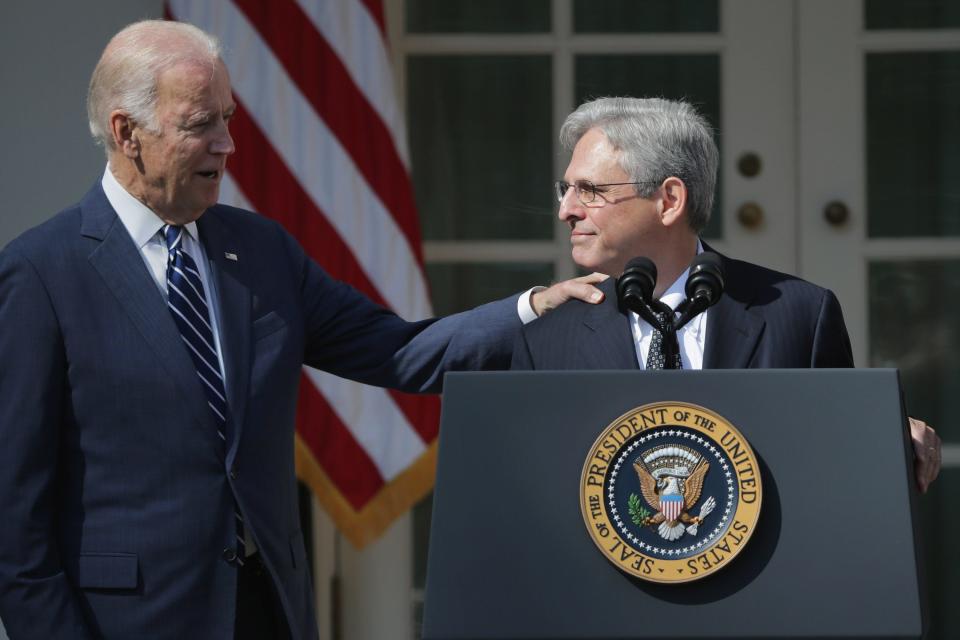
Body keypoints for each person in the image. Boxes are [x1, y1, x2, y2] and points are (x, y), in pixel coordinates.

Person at [0, 20, 603, 640]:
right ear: (128, 132)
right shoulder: (41, 273)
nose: (226, 144)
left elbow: (398, 350)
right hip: (132, 621)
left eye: (227, 119)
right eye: (200, 124)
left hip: (269, 612)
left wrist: (530, 309)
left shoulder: (259, 251)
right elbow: (15, 520)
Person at [511, 96, 941, 492]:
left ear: (669, 201)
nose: (567, 210)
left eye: (590, 190)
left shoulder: (798, 314)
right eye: (566, 190)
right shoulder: (547, 335)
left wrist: (884, 436)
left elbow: (833, 452)